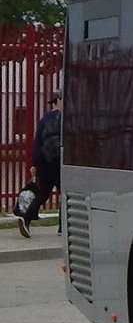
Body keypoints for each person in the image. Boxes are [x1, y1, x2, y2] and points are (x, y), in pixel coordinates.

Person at [18, 90, 63, 237]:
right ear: (59, 100)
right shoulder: (63, 119)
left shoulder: (44, 119)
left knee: (43, 193)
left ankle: (27, 218)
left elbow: (37, 142)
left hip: (44, 163)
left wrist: (35, 164)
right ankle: (63, 227)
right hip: (59, 163)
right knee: (66, 193)